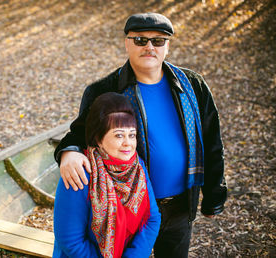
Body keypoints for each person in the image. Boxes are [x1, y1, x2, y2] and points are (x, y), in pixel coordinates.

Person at [54, 13, 227, 257]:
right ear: (127, 43)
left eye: (158, 41)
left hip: (179, 205)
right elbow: (81, 135)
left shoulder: (192, 86)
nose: (149, 46)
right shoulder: (104, 89)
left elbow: (211, 142)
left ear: (167, 46)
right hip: (127, 209)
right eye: (139, 40)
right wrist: (68, 153)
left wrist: (214, 194)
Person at [53, 92, 161, 258]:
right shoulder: (80, 172)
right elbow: (70, 240)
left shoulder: (137, 167)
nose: (128, 143)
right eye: (119, 135)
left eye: (131, 135)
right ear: (98, 139)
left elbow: (152, 219)